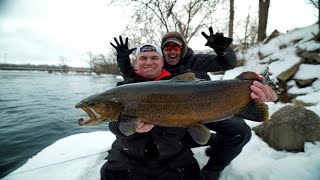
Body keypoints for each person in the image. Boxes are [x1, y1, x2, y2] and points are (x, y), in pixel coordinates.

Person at [110, 30, 278, 180]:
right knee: (183, 134)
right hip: (178, 116)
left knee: (239, 130)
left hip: (212, 105)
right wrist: (123, 58)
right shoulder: (158, 66)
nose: (171, 51)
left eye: (175, 48)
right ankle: (207, 142)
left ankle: (213, 169)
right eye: (167, 48)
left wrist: (222, 49)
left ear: (182, 48)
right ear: (163, 53)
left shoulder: (196, 60)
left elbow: (227, 64)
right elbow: (133, 79)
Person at [100, 44, 201, 180]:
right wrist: (127, 127)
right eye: (143, 58)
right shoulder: (122, 89)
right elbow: (112, 124)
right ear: (136, 62)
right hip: (128, 157)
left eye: (154, 57)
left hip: (174, 156)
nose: (149, 62)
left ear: (162, 61)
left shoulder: (181, 85)